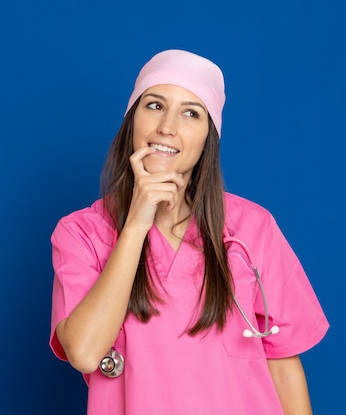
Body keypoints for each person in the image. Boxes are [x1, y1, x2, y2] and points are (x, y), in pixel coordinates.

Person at [49, 49, 329, 415]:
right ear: (131, 120)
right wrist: (136, 224)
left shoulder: (251, 228)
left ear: (208, 137)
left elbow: (282, 366)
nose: (167, 126)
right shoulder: (81, 233)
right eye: (154, 105)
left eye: (191, 113)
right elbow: (85, 353)